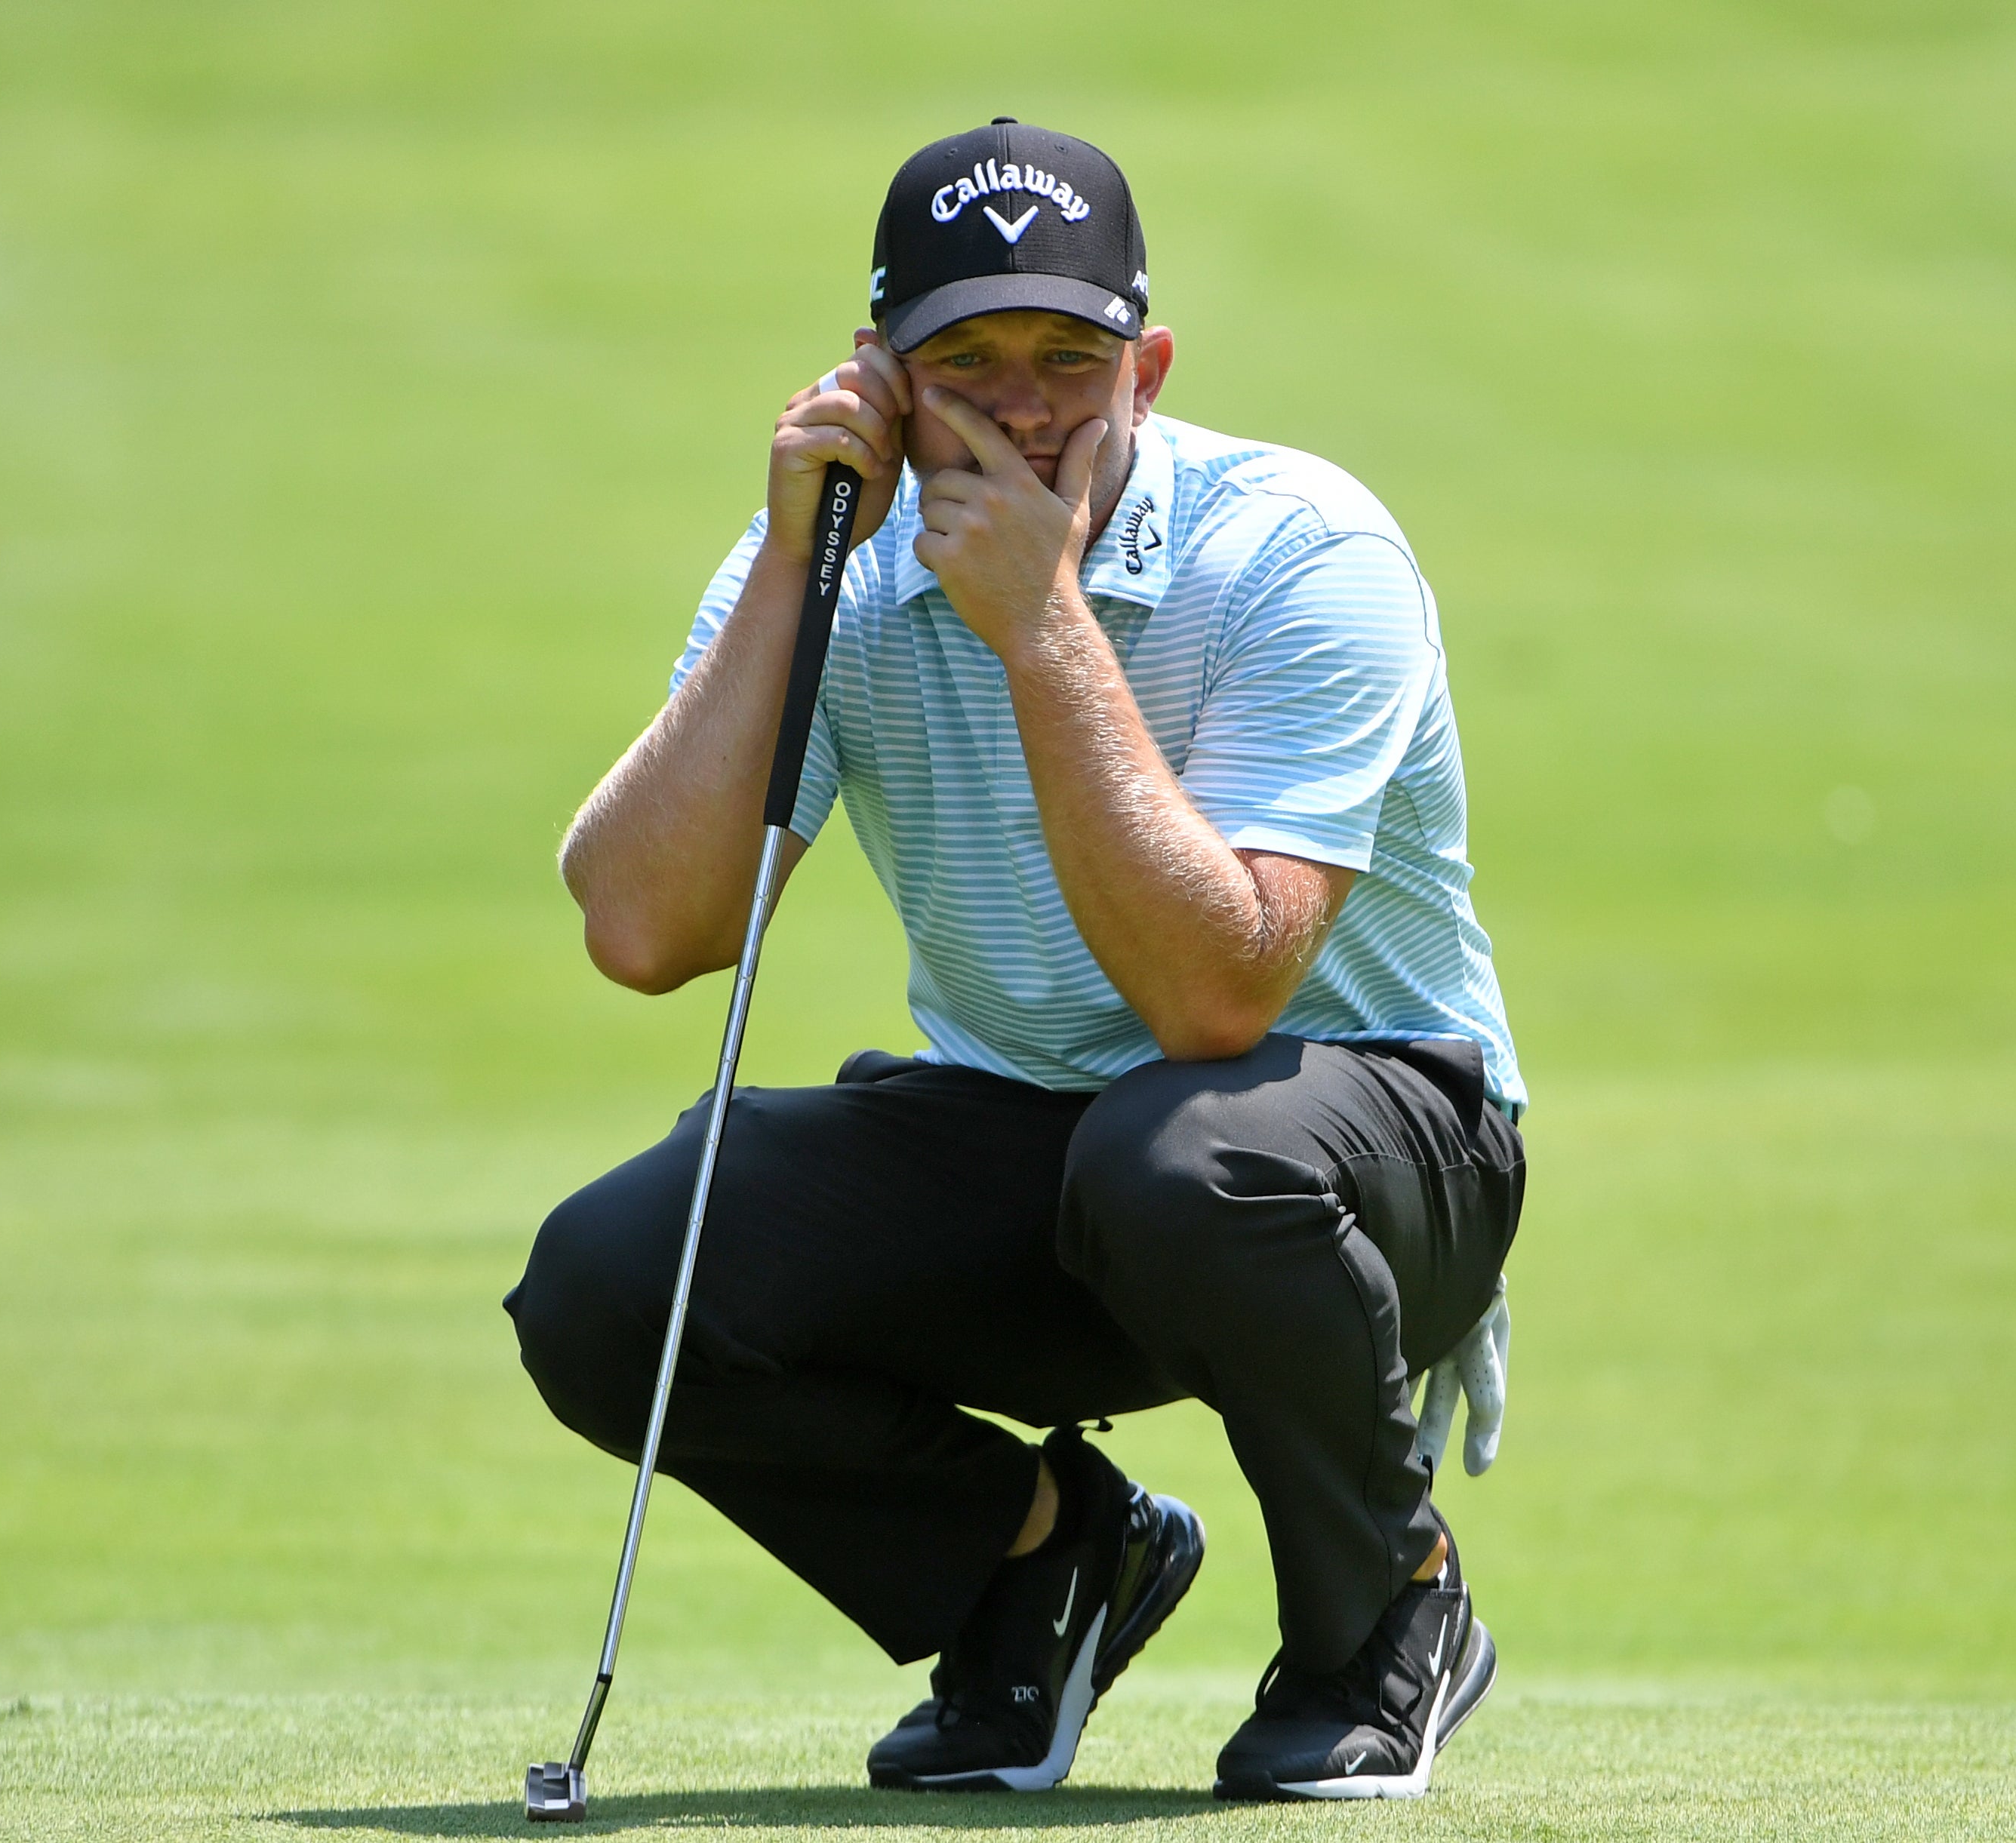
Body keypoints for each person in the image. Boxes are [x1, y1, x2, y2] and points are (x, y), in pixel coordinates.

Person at [504, 118, 1528, 1801]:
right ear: (883, 379)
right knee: (619, 1284)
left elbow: (1220, 996)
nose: (1028, 404)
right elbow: (645, 931)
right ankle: (1040, 1561)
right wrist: (791, 563)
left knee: (1179, 1156)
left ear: (1151, 365)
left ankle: (1383, 1613)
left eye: (1069, 356)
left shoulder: (1300, 550)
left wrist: (1044, 627)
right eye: (967, 361)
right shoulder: (827, 565)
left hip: (1364, 1144)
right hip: (1045, 1147)